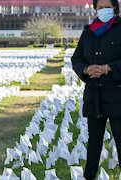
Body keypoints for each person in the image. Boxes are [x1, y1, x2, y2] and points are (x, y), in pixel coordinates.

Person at [71, 0, 121, 179]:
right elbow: (76, 59)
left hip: (117, 95)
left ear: (114, 7)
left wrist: (109, 68)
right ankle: (89, 177)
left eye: (106, 7)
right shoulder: (89, 32)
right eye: (99, 8)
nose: (103, 10)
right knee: (93, 143)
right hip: (95, 95)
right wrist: (85, 69)